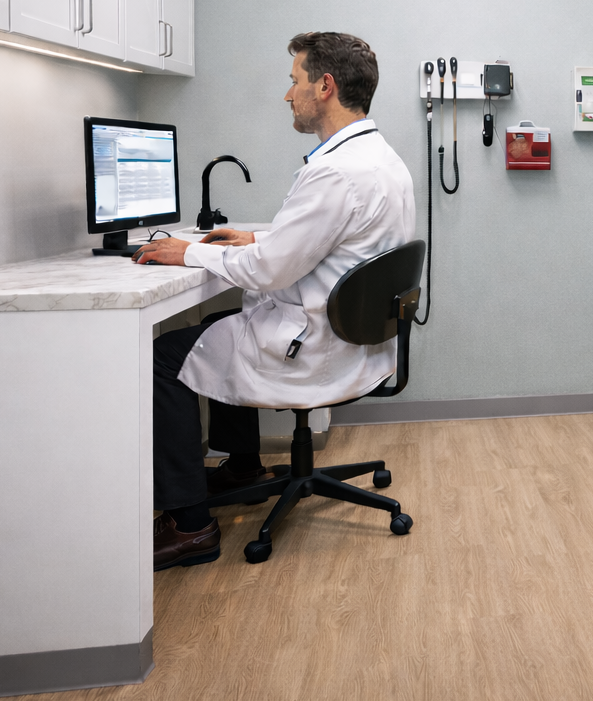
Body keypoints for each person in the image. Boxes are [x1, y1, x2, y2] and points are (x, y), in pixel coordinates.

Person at [134, 32, 415, 571]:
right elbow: (336, 245)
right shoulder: (379, 158)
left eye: (295, 80)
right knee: (220, 323)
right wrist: (260, 240)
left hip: (316, 347)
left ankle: (189, 526)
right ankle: (242, 468)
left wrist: (188, 253)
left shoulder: (333, 170)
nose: (289, 94)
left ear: (325, 86)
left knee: (162, 360)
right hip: (357, 341)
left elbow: (268, 272)